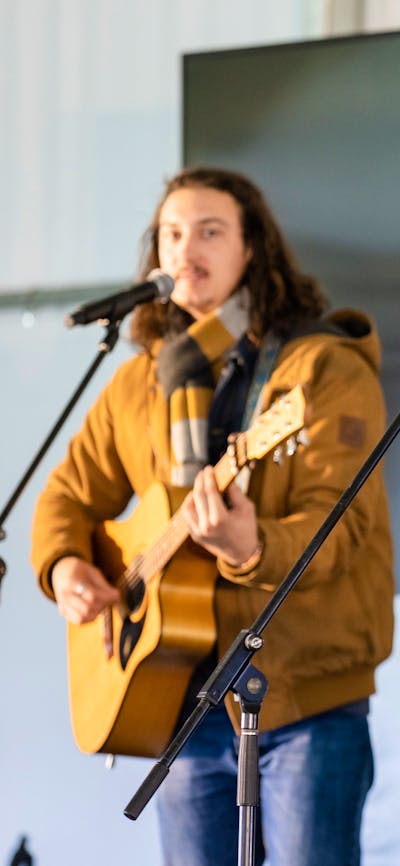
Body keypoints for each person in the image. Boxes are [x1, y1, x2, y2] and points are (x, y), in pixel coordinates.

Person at [31, 166, 394, 866]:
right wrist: (66, 564)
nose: (185, 248)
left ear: (252, 246)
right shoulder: (142, 378)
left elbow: (342, 531)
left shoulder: (324, 370)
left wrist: (251, 545)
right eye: (171, 233)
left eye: (209, 230)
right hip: (178, 698)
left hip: (303, 703)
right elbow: (67, 497)